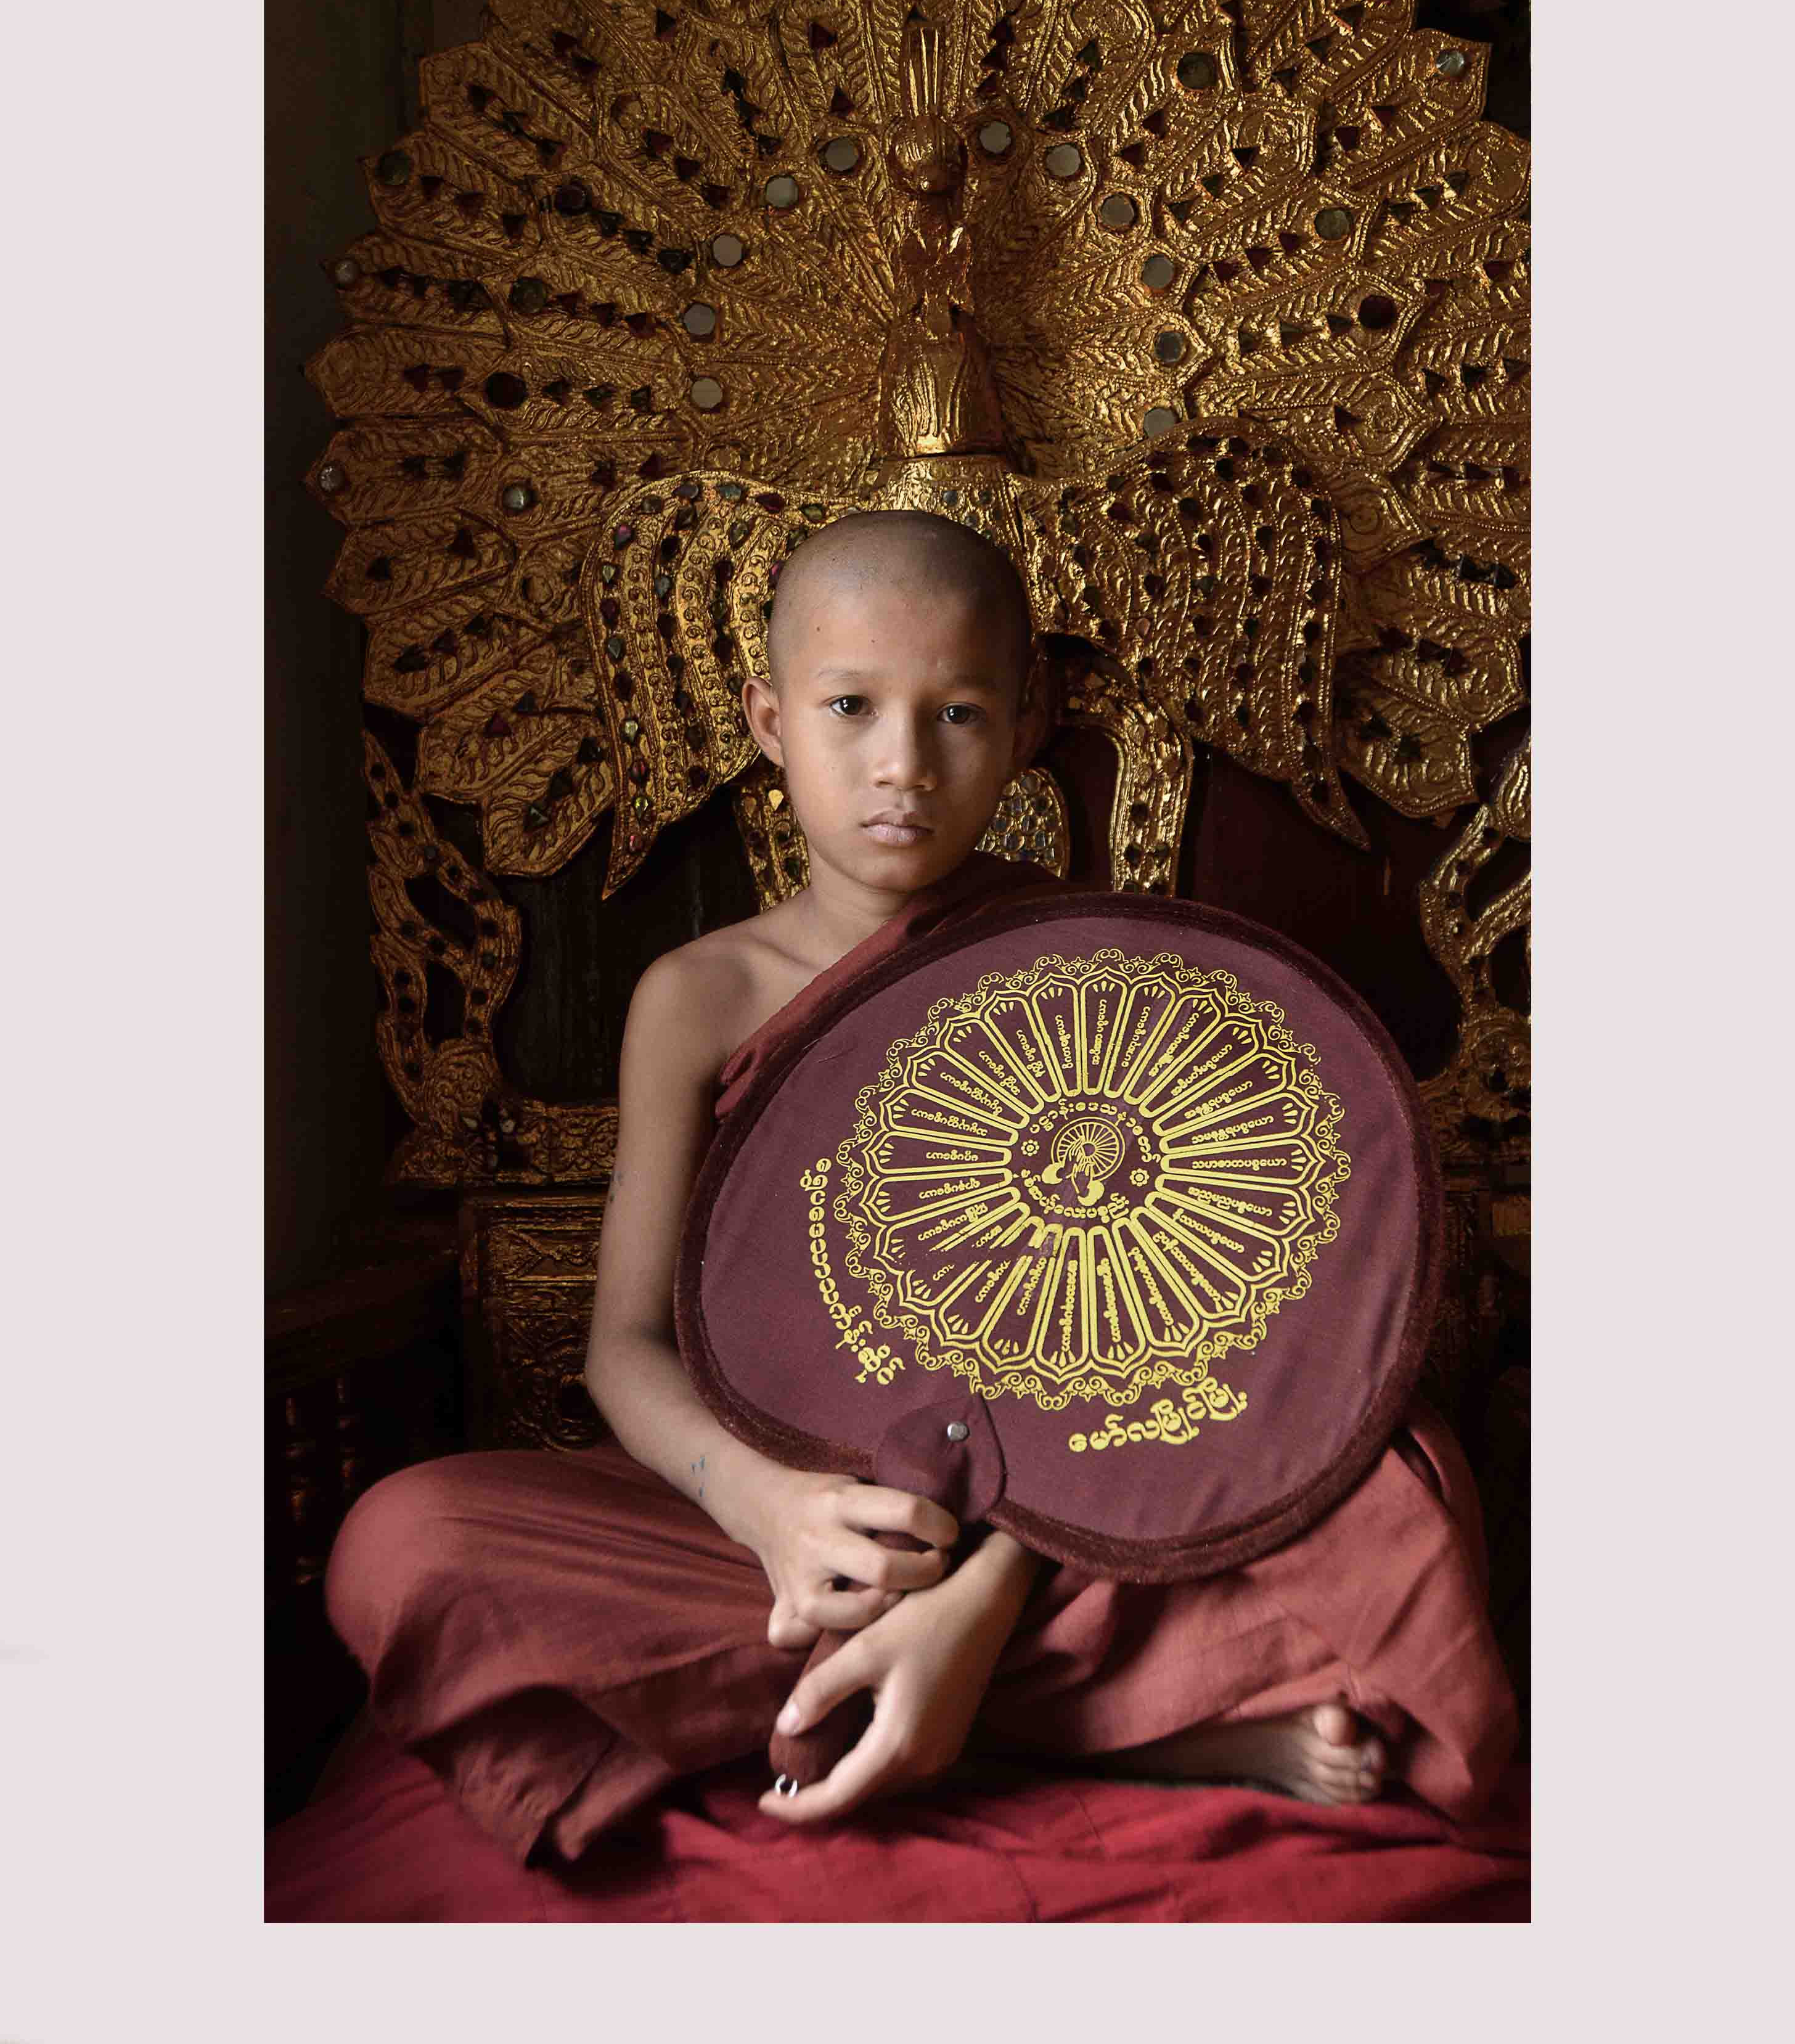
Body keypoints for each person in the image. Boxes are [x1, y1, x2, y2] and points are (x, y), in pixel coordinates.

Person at [325, 510, 1516, 1862]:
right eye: (850, 707)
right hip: (810, 1506)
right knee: (403, 1537)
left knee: (1393, 1483)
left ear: (1023, 728)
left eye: (955, 713)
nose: (901, 765)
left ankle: (944, 1686)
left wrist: (994, 1584)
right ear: (772, 721)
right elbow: (625, 1348)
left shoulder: (1094, 957)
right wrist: (767, 1511)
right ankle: (1090, 1729)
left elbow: (1215, 1353)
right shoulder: (697, 996)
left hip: (1091, 1512)